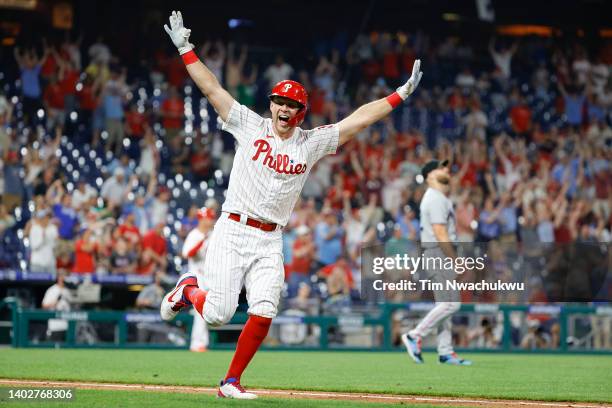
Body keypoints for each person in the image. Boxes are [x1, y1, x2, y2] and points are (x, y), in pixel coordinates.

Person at [162, 10, 422, 399]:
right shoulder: (250, 125)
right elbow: (213, 90)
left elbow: (358, 120)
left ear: (301, 113)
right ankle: (187, 291)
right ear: (272, 105)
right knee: (216, 315)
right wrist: (185, 49)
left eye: (291, 105)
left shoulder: (310, 142)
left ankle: (230, 382)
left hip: (270, 239)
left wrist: (398, 95)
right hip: (233, 229)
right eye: (279, 102)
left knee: (265, 308)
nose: (283, 109)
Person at [400, 160, 472, 366]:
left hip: (438, 253)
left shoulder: (438, 197)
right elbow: (440, 233)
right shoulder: (435, 198)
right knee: (451, 303)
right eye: (441, 167)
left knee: (444, 306)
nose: (447, 170)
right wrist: (455, 260)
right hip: (438, 252)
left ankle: (445, 351)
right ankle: (415, 335)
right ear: (430, 175)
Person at [182, 207, 216, 352]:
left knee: (207, 311)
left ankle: (203, 342)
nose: (211, 220)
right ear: (202, 219)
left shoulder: (213, 235)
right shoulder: (194, 235)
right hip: (196, 277)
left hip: (209, 277)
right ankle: (197, 343)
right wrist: (202, 242)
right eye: (209, 218)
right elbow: (187, 253)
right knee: (200, 310)